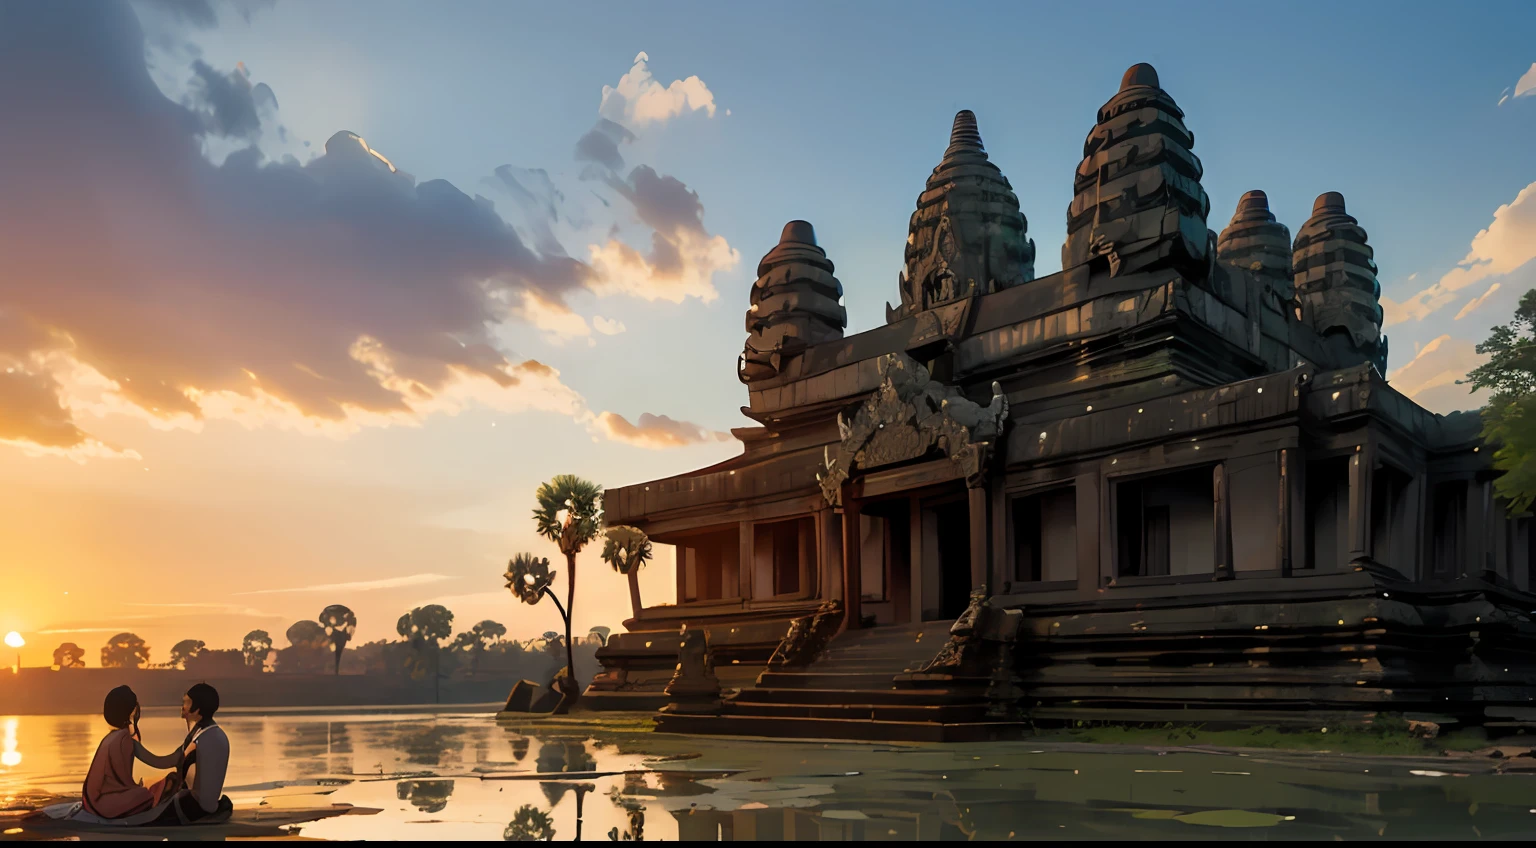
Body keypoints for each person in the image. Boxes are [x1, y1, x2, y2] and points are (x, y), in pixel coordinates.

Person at [81, 686, 184, 819]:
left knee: (151, 785)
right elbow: (156, 762)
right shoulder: (123, 739)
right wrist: (183, 752)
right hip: (101, 803)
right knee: (146, 794)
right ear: (133, 710)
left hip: (91, 800)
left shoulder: (113, 736)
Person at [152, 682, 233, 824]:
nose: (183, 707)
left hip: (198, 808)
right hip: (192, 800)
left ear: (198, 708)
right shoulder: (200, 733)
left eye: (187, 703)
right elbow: (168, 760)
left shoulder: (211, 737)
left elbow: (205, 792)